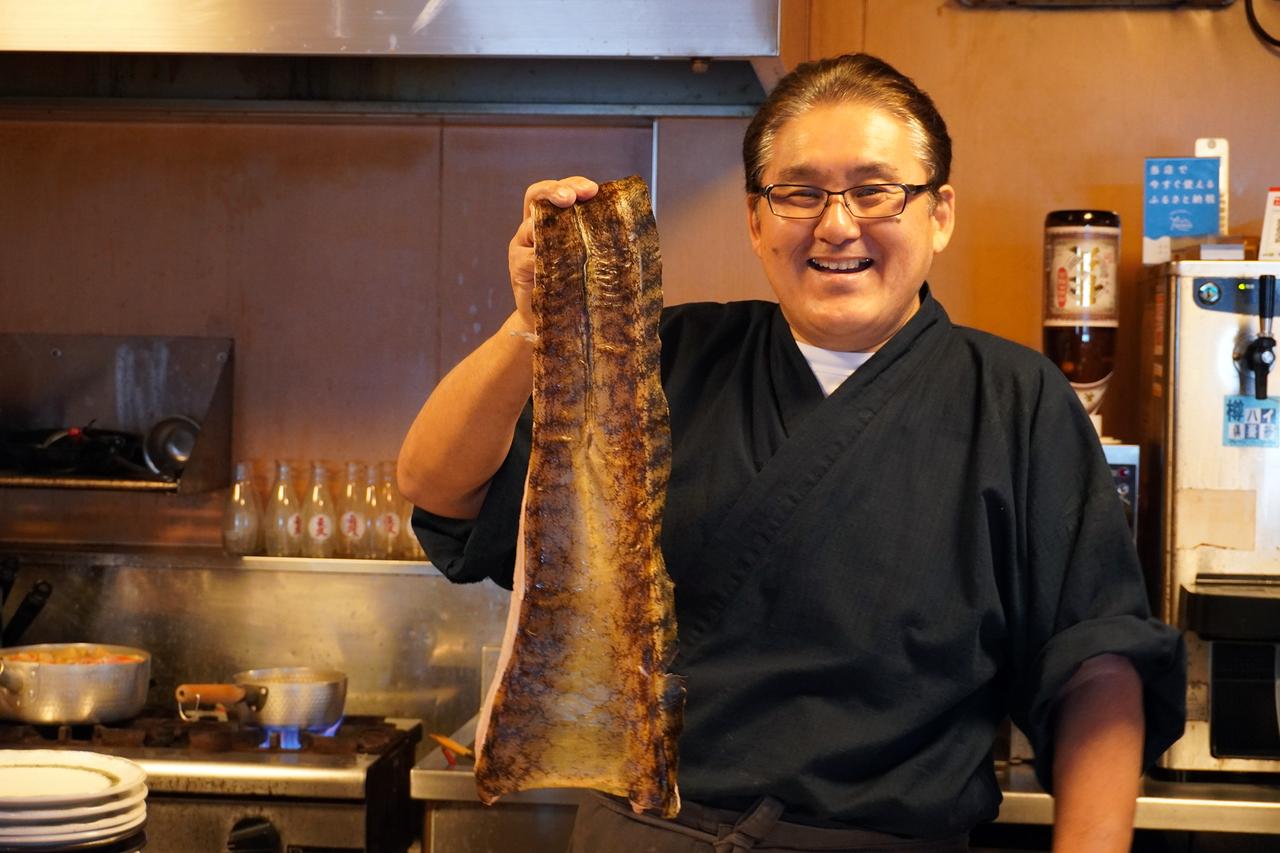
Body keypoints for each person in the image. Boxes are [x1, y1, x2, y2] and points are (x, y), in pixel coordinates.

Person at [398, 53, 1186, 853]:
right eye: (800, 193)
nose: (836, 224)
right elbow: (439, 489)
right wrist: (531, 320)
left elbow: (1098, 664)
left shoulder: (1015, 402)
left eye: (874, 190)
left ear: (939, 213)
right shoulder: (660, 358)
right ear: (755, 218)